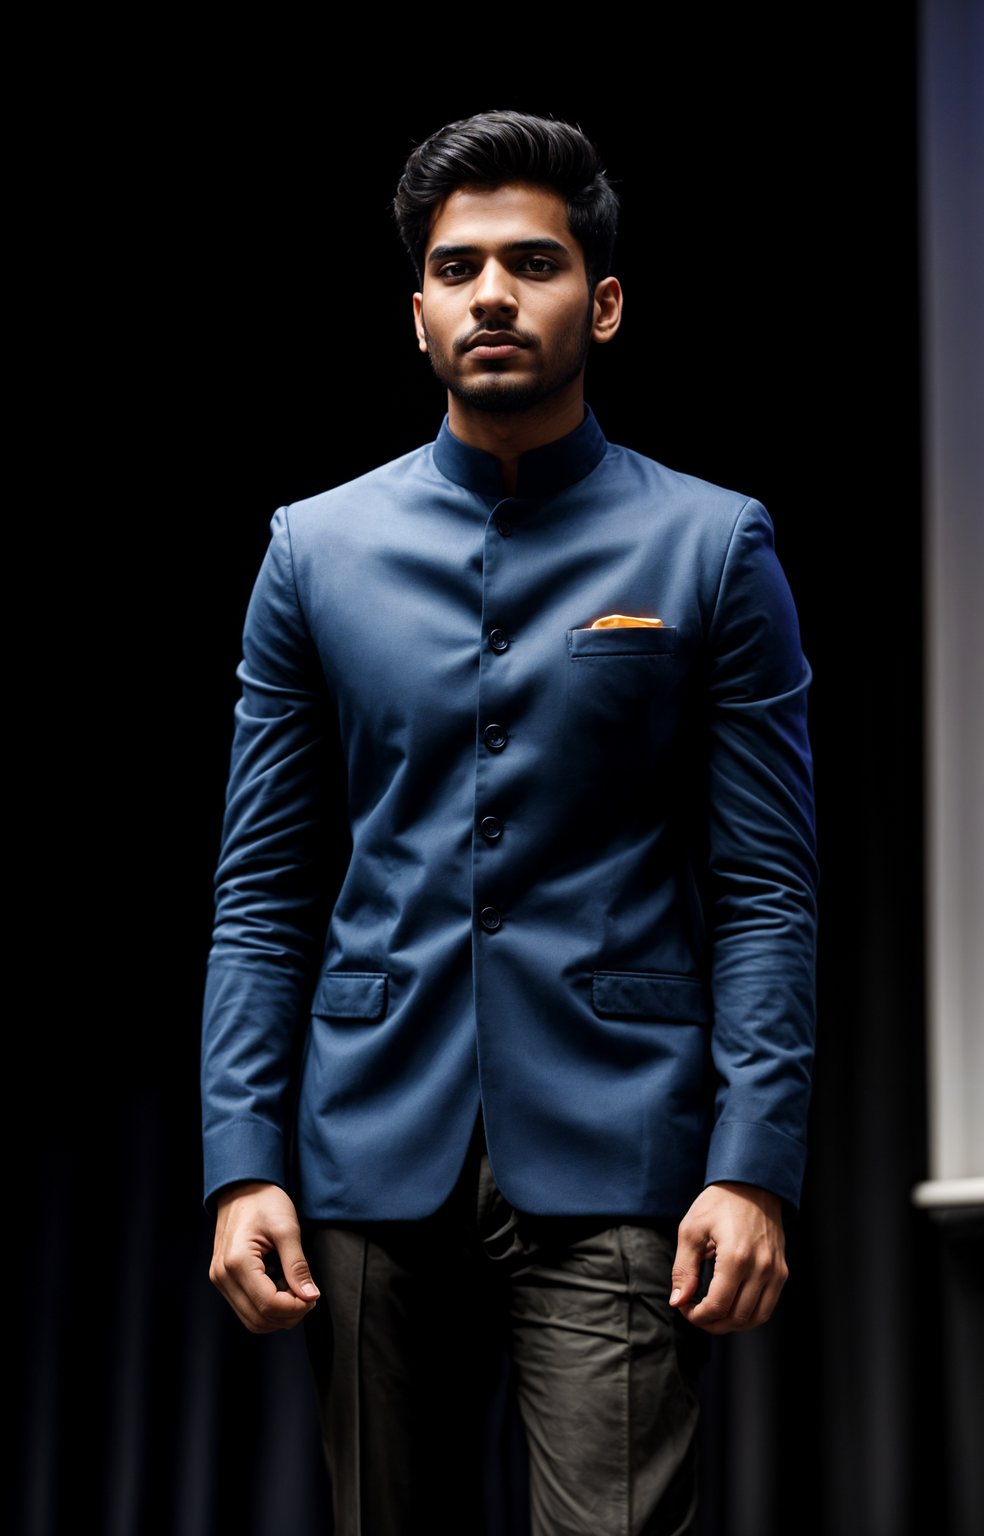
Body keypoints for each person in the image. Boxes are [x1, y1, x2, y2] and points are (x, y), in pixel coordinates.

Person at [202, 108, 818, 1536]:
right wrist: (244, 1163)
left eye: (532, 262)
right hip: (365, 1138)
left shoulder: (713, 545)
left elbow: (769, 889)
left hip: (619, 1142)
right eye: (458, 265)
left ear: (600, 302)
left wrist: (753, 1166)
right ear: (416, 310)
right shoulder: (314, 550)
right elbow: (262, 889)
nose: (493, 292)